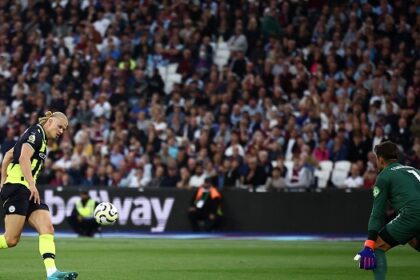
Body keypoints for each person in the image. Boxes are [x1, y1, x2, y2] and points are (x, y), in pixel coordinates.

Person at [0, 111, 78, 280]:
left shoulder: (40, 137)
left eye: (64, 129)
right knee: (10, 240)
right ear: (49, 121)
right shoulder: (35, 133)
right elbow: (23, 158)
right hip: (18, 188)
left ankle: (52, 273)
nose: (61, 132)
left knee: (47, 228)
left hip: (25, 189)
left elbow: (8, 156)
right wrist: (29, 184)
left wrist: (2, 180)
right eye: (60, 127)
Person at [355, 141, 420, 280]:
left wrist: (369, 244)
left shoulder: (384, 176)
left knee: (377, 247)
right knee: (413, 240)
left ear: (380, 159)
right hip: (414, 216)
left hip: (412, 214)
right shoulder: (414, 170)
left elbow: (377, 214)